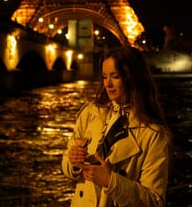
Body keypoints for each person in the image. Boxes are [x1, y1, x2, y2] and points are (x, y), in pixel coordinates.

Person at [61, 46, 172, 207]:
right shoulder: (90, 113)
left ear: (133, 78)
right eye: (104, 77)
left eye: (115, 76)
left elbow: (155, 201)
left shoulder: (154, 133)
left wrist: (111, 181)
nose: (108, 84)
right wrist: (73, 160)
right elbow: (66, 166)